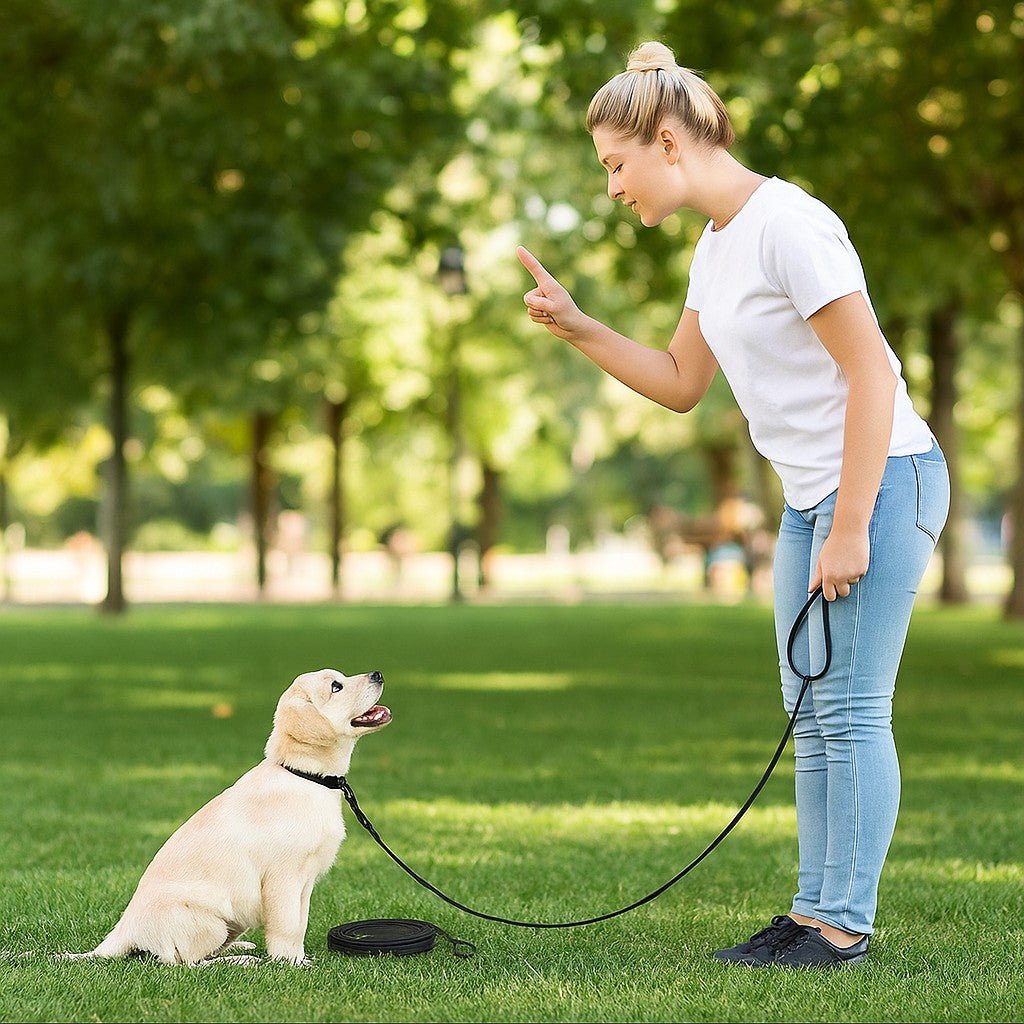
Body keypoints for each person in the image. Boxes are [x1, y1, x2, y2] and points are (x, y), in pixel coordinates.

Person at [517, 40, 950, 969]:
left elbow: (873, 374)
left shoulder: (789, 225)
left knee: (853, 709)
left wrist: (848, 527)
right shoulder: (716, 249)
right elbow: (680, 382)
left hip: (880, 482)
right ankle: (809, 914)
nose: (611, 188)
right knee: (809, 709)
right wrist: (581, 326)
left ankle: (844, 925)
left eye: (615, 165)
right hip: (811, 499)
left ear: (668, 141)